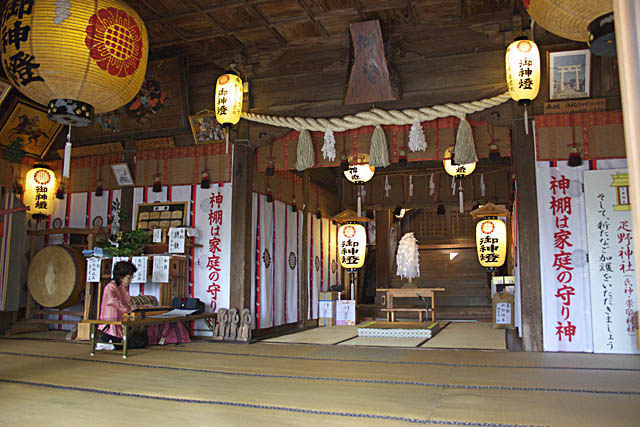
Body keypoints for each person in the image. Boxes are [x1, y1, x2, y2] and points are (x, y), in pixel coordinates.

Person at [97, 261, 148, 350]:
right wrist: (129, 308)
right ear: (120, 277)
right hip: (110, 324)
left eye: (131, 278)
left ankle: (112, 345)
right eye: (128, 278)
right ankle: (108, 343)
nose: (130, 280)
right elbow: (113, 301)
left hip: (121, 323)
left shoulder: (123, 287)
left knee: (142, 341)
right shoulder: (110, 287)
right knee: (134, 341)